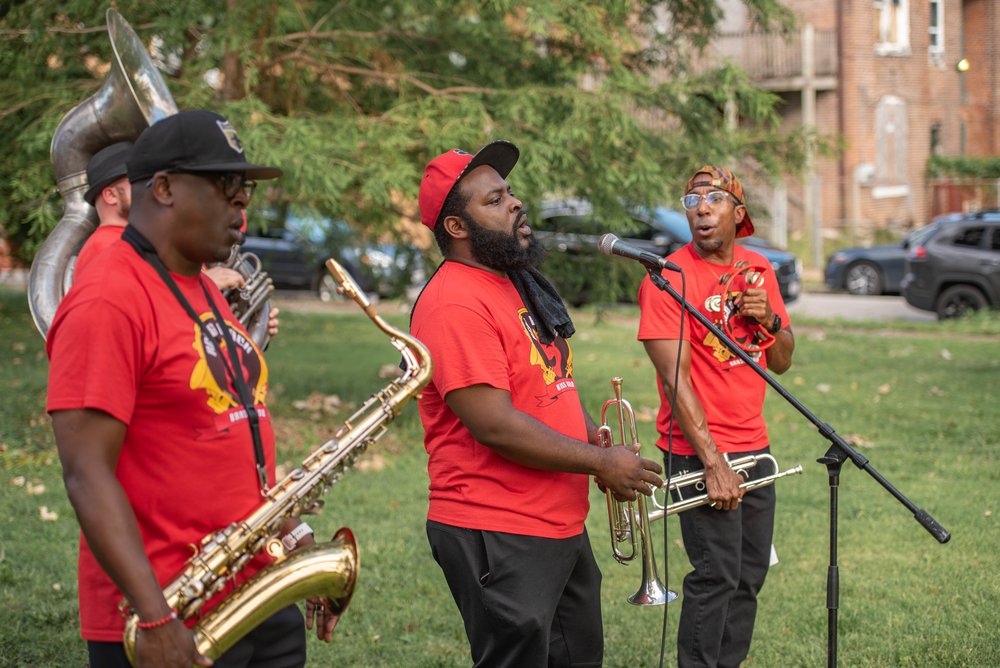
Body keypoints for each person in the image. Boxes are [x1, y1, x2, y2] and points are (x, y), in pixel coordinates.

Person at [46, 109, 336, 668]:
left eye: (245, 189)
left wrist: (292, 533)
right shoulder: (107, 298)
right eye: (227, 187)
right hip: (168, 609)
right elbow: (85, 471)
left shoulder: (199, 285)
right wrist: (155, 617)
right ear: (163, 187)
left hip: (252, 588)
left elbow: (222, 427)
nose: (242, 204)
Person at [410, 141, 664, 667]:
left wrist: (594, 434)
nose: (515, 204)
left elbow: (550, 387)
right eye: (495, 199)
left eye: (510, 193)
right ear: (457, 228)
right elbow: (495, 424)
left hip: (556, 523)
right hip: (496, 527)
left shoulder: (512, 285)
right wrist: (599, 462)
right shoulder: (454, 300)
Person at [637, 165, 795, 668]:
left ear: (739, 212)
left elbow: (784, 360)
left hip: (755, 445)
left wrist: (768, 317)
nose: (701, 208)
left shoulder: (759, 270)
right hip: (699, 452)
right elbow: (673, 379)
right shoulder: (668, 278)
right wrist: (712, 461)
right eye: (691, 201)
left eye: (714, 199)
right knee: (716, 576)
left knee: (749, 576)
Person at [75, 139, 280, 338]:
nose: (150, 189)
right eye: (137, 183)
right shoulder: (105, 246)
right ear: (111, 196)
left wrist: (245, 329)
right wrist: (203, 284)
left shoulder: (146, 242)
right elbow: (137, 314)